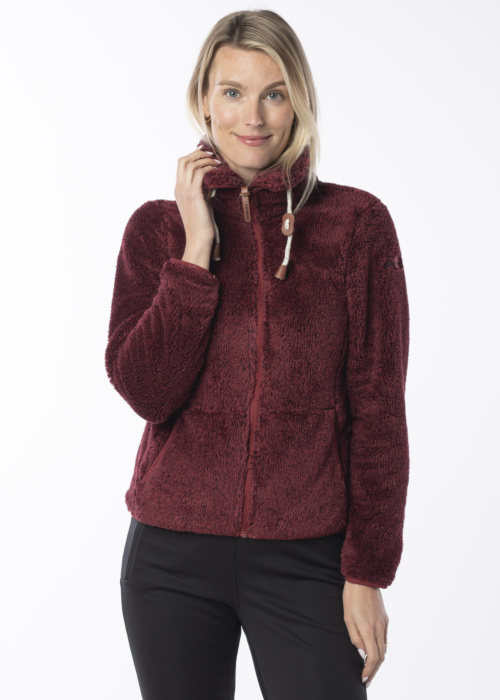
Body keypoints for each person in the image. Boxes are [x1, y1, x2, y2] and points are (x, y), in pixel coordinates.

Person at [105, 9, 410, 700]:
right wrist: (195, 252)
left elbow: (379, 408)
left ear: (298, 100)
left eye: (274, 93)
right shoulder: (156, 230)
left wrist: (368, 571)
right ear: (204, 99)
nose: (254, 116)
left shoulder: (355, 225)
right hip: (170, 556)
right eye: (233, 91)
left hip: (308, 556)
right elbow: (148, 392)